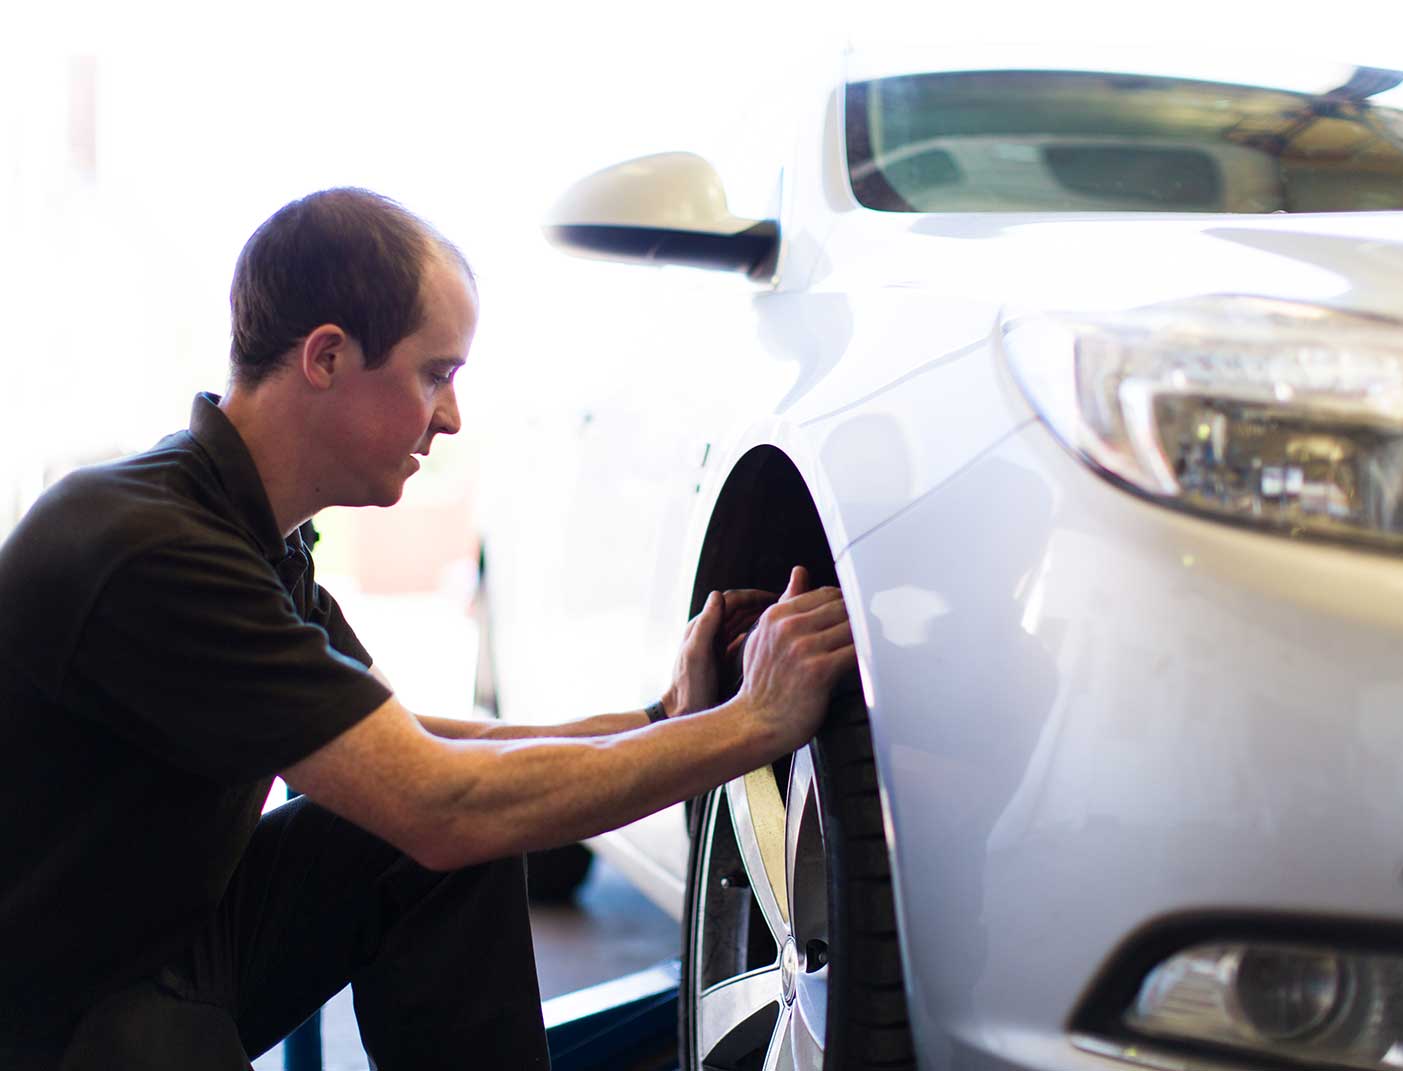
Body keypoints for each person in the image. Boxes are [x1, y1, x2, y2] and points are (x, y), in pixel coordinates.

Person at [0, 188, 856, 1069]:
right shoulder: (152, 549)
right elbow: (437, 801)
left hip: (159, 945)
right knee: (441, 829)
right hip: (56, 1012)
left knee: (437, 840)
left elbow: (413, 751)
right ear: (327, 357)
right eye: (434, 374)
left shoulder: (255, 538)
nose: (450, 417)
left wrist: (666, 717)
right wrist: (752, 721)